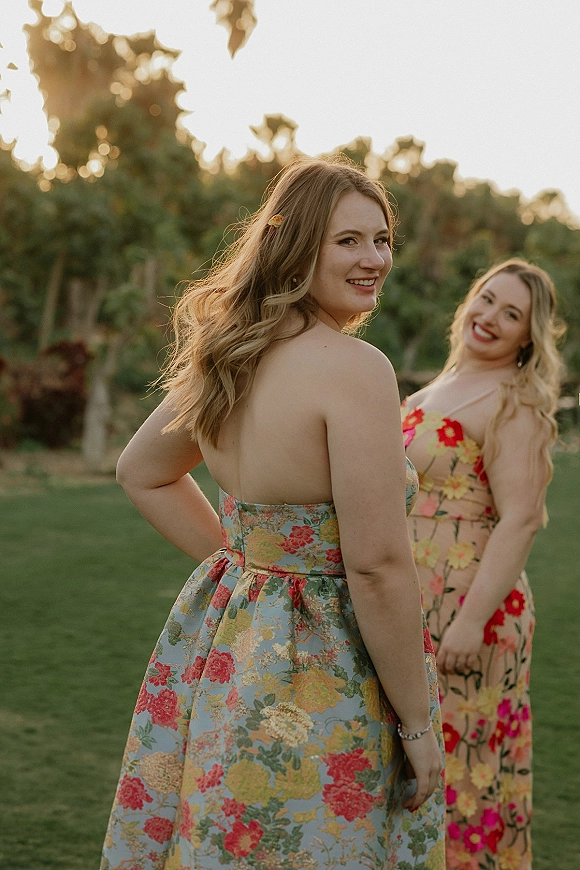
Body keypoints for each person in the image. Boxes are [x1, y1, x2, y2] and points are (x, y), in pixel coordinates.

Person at [101, 157, 444, 870]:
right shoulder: (357, 370)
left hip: (231, 642)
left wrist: (247, 567)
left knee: (232, 833)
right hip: (331, 664)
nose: (374, 259)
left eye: (381, 240)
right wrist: (417, 724)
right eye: (348, 240)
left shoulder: (229, 354)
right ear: (296, 244)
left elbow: (142, 473)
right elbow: (377, 566)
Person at [402, 259, 565, 870]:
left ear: (528, 336)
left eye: (512, 314)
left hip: (473, 615)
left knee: (463, 778)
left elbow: (521, 517)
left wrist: (470, 623)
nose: (491, 318)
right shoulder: (431, 390)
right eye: (487, 300)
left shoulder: (513, 402)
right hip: (414, 605)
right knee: (415, 772)